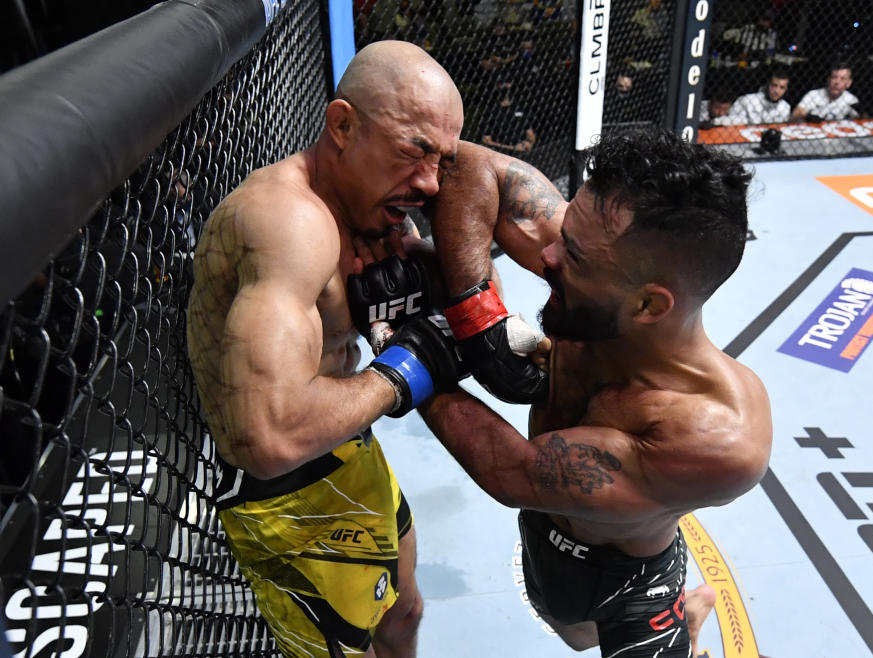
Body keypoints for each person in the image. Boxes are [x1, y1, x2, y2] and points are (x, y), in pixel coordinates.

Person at [412, 129, 773, 657]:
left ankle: (687, 627)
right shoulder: (601, 260)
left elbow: (513, 472)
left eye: (574, 256)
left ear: (649, 306)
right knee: (574, 635)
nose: (547, 255)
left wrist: (411, 354)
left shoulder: (717, 436)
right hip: (543, 535)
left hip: (631, 580)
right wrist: (474, 310)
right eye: (563, 231)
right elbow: (470, 164)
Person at [186, 40, 464, 658]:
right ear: (342, 125)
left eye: (441, 159)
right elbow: (269, 438)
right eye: (414, 150)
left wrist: (409, 286)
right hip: (283, 491)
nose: (430, 181)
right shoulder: (288, 222)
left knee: (405, 610)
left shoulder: (366, 208)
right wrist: (405, 368)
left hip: (347, 444)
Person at [790, 63, 860, 122]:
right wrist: (808, 116)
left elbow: (859, 119)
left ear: (849, 83)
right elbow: (795, 114)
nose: (837, 82)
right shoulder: (813, 95)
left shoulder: (851, 99)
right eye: (834, 77)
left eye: (842, 79)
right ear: (828, 79)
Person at [481, 82, 536, 154]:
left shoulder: (518, 108)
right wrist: (513, 148)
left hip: (523, 150)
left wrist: (529, 144)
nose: (505, 87)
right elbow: (486, 140)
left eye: (507, 85)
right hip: (503, 153)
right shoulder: (491, 112)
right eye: (502, 86)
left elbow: (530, 133)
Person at [720, 69, 791, 125]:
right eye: (774, 85)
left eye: (782, 88)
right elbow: (731, 120)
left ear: (786, 89)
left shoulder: (785, 108)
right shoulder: (748, 100)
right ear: (768, 85)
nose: (777, 91)